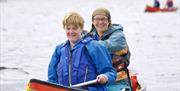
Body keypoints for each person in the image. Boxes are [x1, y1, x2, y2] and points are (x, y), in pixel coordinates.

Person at [47, 12, 116, 91]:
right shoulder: (59, 49)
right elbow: (51, 79)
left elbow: (110, 73)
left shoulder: (95, 47)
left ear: (81, 29)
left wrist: (105, 77)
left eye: (75, 28)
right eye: (68, 28)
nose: (71, 32)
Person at [84, 8, 133, 91]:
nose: (100, 22)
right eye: (97, 19)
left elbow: (105, 46)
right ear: (92, 22)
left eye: (103, 19)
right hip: (96, 80)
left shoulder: (118, 35)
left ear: (109, 21)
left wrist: (87, 44)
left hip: (119, 81)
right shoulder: (89, 37)